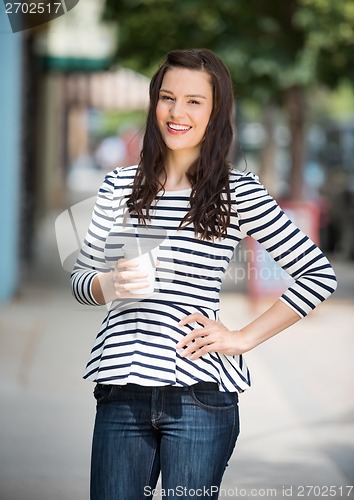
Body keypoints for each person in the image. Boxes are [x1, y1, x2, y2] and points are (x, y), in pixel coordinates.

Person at [71, 48, 337, 500]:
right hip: (122, 391)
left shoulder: (237, 190)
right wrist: (108, 284)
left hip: (199, 397)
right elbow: (81, 279)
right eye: (168, 97)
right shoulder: (118, 185)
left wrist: (242, 338)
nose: (177, 112)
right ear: (154, 102)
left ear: (215, 113)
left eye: (195, 101)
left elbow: (317, 275)